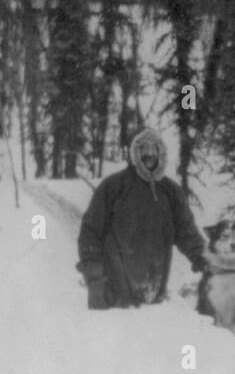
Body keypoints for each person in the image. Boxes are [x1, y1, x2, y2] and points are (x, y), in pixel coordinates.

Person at [76, 127, 207, 309]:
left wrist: (202, 257)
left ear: (162, 153)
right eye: (142, 148)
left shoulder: (170, 191)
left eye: (155, 148)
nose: (149, 154)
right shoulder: (113, 187)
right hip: (112, 293)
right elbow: (90, 232)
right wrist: (94, 274)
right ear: (134, 153)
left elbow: (186, 231)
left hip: (153, 296)